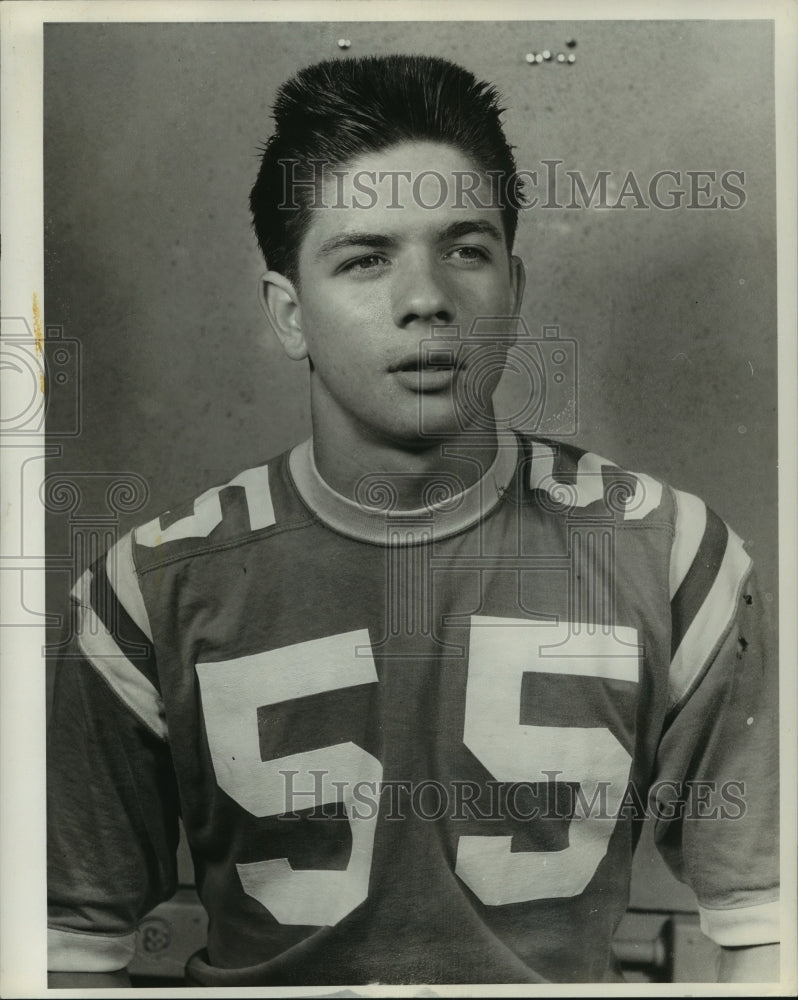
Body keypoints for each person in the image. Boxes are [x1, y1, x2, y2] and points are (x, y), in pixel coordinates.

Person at [47, 54, 779, 986]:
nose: (425, 299)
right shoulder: (149, 593)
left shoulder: (675, 559)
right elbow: (70, 952)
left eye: (464, 249)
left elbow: (768, 929)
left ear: (513, 286)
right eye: (364, 258)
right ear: (288, 313)